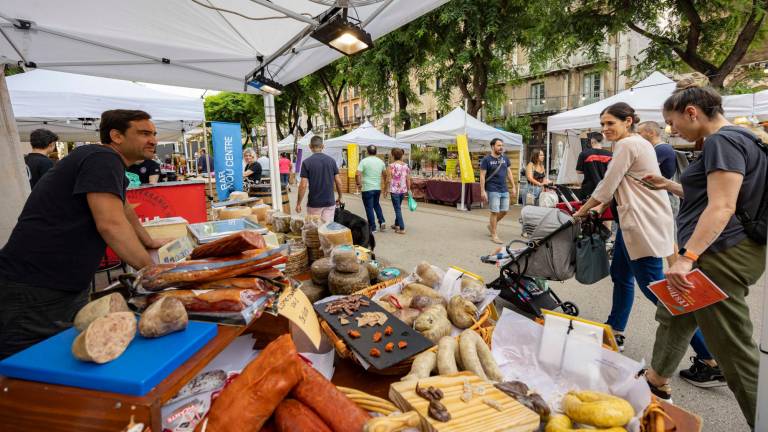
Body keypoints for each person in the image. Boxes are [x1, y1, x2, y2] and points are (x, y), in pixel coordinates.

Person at [639, 81, 766, 427]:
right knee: (675, 313)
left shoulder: (722, 141)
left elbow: (722, 206)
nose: (672, 129)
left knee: (732, 347)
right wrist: (668, 185)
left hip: (720, 254)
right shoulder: (743, 139)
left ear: (691, 112)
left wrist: (687, 257)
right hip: (727, 249)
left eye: (673, 121)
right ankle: (656, 381)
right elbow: (715, 197)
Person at [0, 109, 171, 359]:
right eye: (144, 133)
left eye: (154, 134)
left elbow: (122, 209)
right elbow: (110, 224)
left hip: (58, 284)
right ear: (116, 136)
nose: (153, 140)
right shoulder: (102, 158)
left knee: (62, 361)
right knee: (29, 371)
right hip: (35, 286)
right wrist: (153, 273)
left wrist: (149, 241)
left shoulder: (105, 163)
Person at [572, 103, 717, 370]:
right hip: (638, 222)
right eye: (602, 124)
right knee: (622, 277)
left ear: (628, 121)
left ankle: (709, 357)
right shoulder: (638, 143)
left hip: (641, 224)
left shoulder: (627, 145)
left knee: (658, 291)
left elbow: (607, 185)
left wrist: (580, 212)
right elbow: (622, 184)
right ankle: (615, 329)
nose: (605, 129)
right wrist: (602, 206)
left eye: (610, 123)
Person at [296, 136, 343, 222]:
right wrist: (340, 197)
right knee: (326, 229)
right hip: (329, 202)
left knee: (313, 230)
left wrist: (298, 203)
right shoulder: (331, 161)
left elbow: (303, 185)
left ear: (310, 146)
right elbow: (338, 182)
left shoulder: (306, 162)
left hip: (314, 203)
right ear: (323, 146)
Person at [480, 138, 518, 244]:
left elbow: (509, 173)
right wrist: (482, 191)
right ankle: (494, 235)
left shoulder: (505, 158)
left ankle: (491, 225)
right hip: (492, 189)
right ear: (492, 146)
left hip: (504, 188)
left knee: (505, 210)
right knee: (494, 212)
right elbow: (482, 176)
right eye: (498, 145)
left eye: (502, 145)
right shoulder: (486, 159)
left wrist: (513, 186)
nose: (501, 147)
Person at [356, 145, 387, 233]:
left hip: (367, 188)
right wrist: (384, 185)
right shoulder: (381, 162)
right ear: (376, 152)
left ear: (367, 152)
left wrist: (358, 184)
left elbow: (357, 174)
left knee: (369, 207)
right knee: (376, 204)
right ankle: (382, 221)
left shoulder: (364, 161)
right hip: (377, 188)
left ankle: (372, 227)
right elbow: (385, 174)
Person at [575, 132, 612, 199]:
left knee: (585, 208)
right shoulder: (610, 155)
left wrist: (589, 170)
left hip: (588, 189)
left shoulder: (584, 154)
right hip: (604, 189)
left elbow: (578, 171)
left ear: (592, 141)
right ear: (602, 142)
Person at [383, 148, 411, 234]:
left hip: (394, 190)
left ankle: (401, 228)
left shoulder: (391, 166)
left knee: (397, 209)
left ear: (393, 156)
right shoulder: (406, 166)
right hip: (403, 190)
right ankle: (396, 224)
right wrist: (409, 189)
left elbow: (388, 179)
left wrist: (385, 189)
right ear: (401, 156)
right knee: (398, 207)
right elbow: (408, 179)